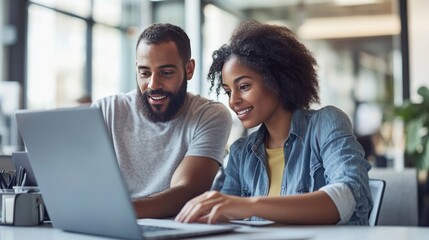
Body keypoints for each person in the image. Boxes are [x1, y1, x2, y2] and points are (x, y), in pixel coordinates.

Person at [175, 20, 372, 225]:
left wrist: (249, 205)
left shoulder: (326, 123)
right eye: (227, 91)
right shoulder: (241, 153)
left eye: (244, 86)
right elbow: (219, 212)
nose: (233, 101)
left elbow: (349, 196)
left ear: (277, 79)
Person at [91, 23, 232, 219]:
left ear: (189, 69)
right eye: (145, 72)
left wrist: (115, 211)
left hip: (170, 229)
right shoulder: (106, 111)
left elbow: (187, 192)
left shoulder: (209, 115)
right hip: (109, 225)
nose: (153, 84)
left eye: (166, 73)